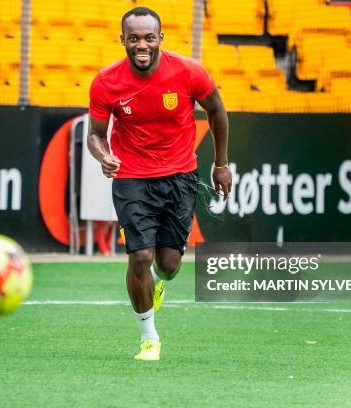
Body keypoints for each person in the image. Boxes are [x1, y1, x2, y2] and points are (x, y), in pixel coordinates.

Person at [87, 6, 232, 361]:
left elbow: (217, 109)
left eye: (149, 37)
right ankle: (149, 339)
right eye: (133, 38)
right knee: (140, 256)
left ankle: (158, 281)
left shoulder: (188, 72)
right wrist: (103, 155)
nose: (141, 45)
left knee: (168, 264)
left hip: (180, 176)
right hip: (131, 177)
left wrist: (221, 163)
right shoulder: (106, 82)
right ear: (122, 39)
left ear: (160, 39)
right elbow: (94, 135)